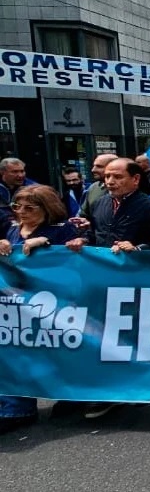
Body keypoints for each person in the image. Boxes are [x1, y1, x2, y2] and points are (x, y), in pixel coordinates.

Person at [65, 159, 150, 419]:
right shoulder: (100, 202)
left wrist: (138, 248)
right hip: (101, 281)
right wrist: (83, 239)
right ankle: (107, 391)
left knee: (133, 337)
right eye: (107, 176)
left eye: (117, 176)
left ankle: (139, 387)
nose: (110, 181)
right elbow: (96, 237)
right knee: (102, 337)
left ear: (135, 179)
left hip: (134, 281)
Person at [0, 185, 79, 433]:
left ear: (46, 208)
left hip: (53, 305)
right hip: (16, 306)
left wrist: (47, 244)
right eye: (17, 207)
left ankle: (69, 397)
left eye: (29, 208)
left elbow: (78, 258)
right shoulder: (12, 229)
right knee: (16, 353)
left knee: (56, 351)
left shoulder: (61, 229)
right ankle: (15, 408)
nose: (21, 212)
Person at [0, 157, 37, 229]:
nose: (20, 175)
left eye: (22, 171)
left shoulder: (34, 188)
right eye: (15, 172)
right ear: (2, 172)